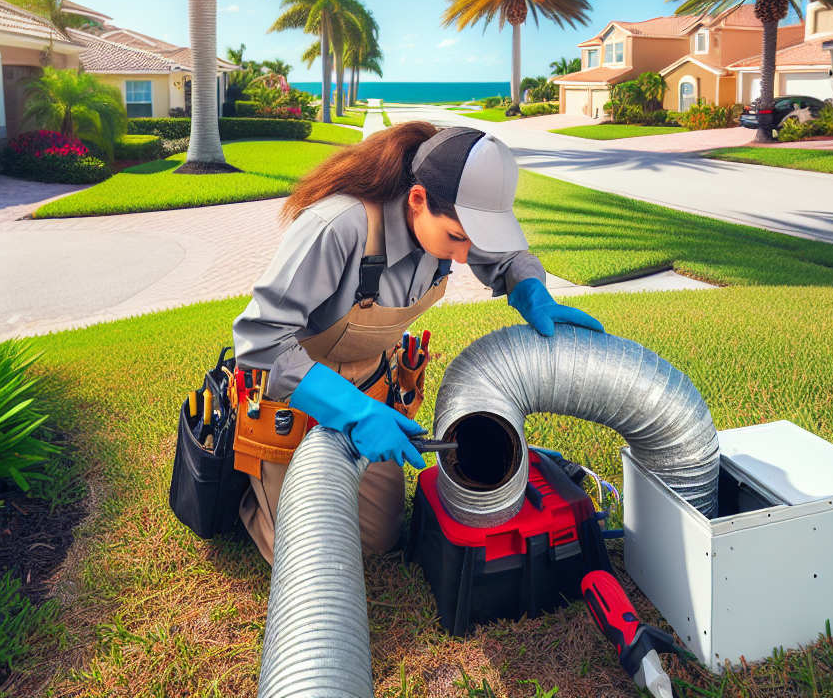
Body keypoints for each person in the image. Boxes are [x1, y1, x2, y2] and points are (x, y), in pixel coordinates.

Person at [232, 121, 603, 563]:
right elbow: (261, 340)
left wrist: (531, 291)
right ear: (417, 199)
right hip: (294, 400)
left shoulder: (451, 218)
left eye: (474, 240)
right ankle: (252, 492)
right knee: (309, 557)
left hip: (371, 385)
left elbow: (505, 257)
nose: (467, 257)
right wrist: (356, 413)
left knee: (380, 540)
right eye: (457, 239)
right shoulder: (339, 226)